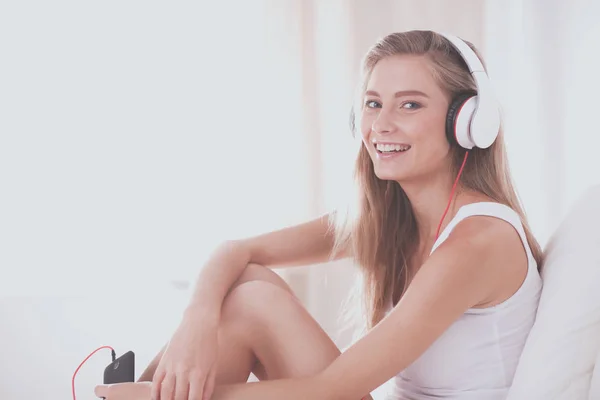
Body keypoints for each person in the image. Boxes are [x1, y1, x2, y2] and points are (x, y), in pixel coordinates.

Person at [94, 30, 543, 400]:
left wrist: (170, 394)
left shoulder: (480, 240)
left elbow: (334, 389)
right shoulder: (391, 219)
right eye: (372, 103)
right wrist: (198, 320)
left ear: (466, 121)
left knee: (254, 302)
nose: (381, 125)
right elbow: (238, 250)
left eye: (410, 104)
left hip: (337, 392)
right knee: (251, 283)